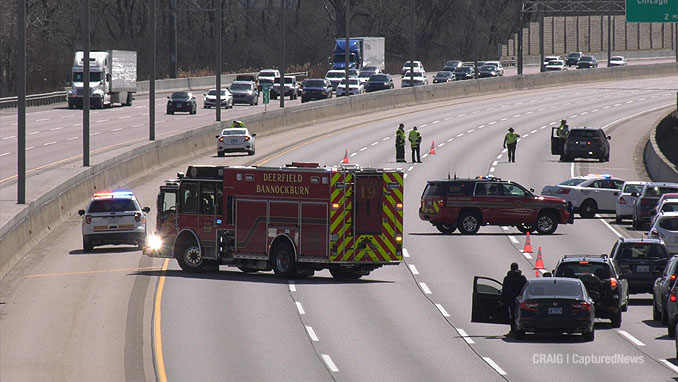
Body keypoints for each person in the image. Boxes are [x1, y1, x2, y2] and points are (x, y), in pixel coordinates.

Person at [501, 262, 527, 333]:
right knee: (519, 314)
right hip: (520, 299)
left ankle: (513, 328)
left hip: (510, 299)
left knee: (512, 314)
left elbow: (504, 290)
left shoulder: (507, 278)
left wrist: (502, 300)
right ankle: (519, 327)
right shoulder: (522, 278)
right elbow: (526, 288)